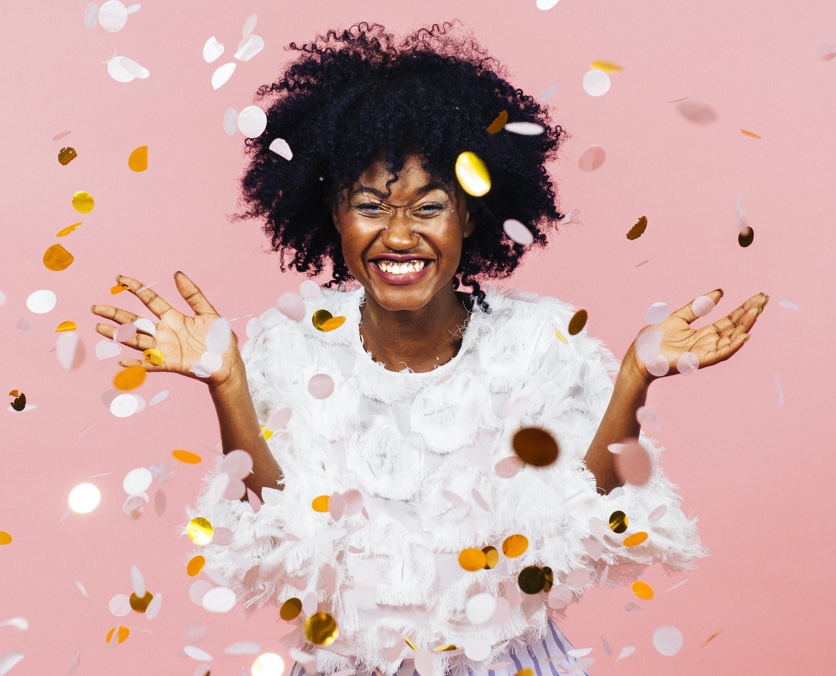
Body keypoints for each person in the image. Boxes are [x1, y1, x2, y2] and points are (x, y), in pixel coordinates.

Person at [90, 21, 767, 676]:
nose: (399, 234)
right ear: (333, 215)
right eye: (371, 205)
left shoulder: (539, 343)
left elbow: (578, 524)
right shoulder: (292, 347)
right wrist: (228, 384)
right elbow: (283, 538)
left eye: (428, 206)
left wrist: (634, 379)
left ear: (469, 214)